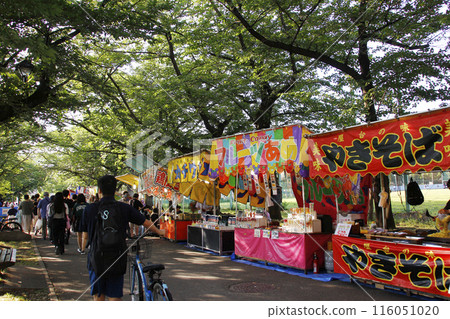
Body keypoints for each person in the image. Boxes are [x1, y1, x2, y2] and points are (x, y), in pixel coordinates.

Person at [84, 175, 165, 301]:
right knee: (115, 296)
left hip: (96, 258)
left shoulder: (90, 209)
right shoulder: (124, 207)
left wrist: (84, 246)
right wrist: (159, 231)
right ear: (115, 190)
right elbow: (145, 222)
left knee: (98, 296)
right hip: (117, 256)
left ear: (99, 190)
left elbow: (85, 235)